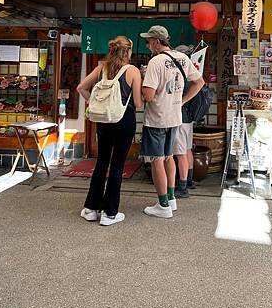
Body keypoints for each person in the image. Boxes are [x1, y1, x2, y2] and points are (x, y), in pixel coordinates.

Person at [77, 36, 143, 226]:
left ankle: (91, 208)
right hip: (124, 121)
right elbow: (138, 103)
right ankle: (110, 213)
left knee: (102, 162)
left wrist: (94, 103)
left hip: (103, 121)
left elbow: (81, 87)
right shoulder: (132, 71)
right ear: (128, 51)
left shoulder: (101, 68)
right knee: (117, 164)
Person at [140, 26, 204, 218]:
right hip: (175, 117)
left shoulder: (156, 62)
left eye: (149, 41)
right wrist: (183, 100)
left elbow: (149, 96)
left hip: (157, 118)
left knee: (157, 160)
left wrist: (142, 83)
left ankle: (163, 205)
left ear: (157, 42)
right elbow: (199, 82)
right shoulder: (182, 58)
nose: (148, 45)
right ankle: (171, 199)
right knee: (169, 157)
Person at [172, 44, 196, 199]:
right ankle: (189, 180)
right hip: (189, 118)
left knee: (180, 153)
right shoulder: (191, 72)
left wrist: (182, 101)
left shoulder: (180, 75)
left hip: (180, 117)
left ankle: (182, 187)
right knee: (187, 149)